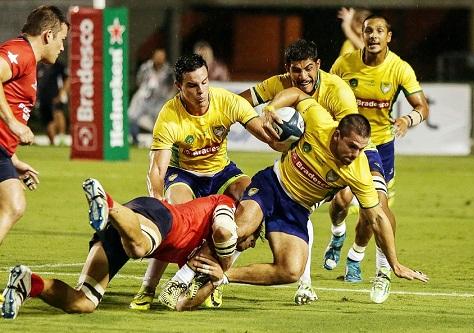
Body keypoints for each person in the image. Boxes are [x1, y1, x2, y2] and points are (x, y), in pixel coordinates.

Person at [208, 88, 428, 297]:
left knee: (291, 271)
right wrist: (270, 108)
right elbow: (296, 94)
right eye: (352, 146)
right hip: (272, 185)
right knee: (241, 230)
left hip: (297, 209)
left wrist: (395, 264)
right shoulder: (318, 120)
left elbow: (377, 218)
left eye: (362, 148)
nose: (356, 154)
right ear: (337, 135)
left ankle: (222, 276)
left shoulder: (358, 170)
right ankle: (188, 273)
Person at [128, 54, 276, 310]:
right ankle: (148, 287)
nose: (201, 91)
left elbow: (265, 134)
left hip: (221, 172)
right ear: (179, 87)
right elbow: (157, 168)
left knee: (253, 202)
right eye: (192, 86)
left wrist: (292, 141)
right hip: (184, 174)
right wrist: (157, 200)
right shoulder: (170, 115)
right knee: (175, 220)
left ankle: (212, 281)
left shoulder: (226, 101)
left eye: (204, 82)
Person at [0, 178, 261, 319]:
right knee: (138, 249)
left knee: (84, 302)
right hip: (156, 217)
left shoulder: (204, 258)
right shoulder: (226, 206)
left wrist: (216, 281)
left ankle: (28, 284)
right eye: (250, 240)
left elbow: (176, 302)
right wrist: (226, 264)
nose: (246, 245)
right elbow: (226, 232)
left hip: (131, 228)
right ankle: (108, 202)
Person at [239, 39, 358, 305]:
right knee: (291, 208)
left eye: (308, 69)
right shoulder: (279, 83)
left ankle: (336, 234)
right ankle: (304, 284)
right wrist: (252, 124)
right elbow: (242, 102)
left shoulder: (338, 92)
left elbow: (349, 136)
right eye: (296, 70)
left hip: (330, 161)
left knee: (338, 202)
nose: (302, 76)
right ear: (287, 69)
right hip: (295, 155)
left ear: (318, 65)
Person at [328, 14, 429, 303]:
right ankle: (337, 233)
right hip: (345, 146)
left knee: (376, 211)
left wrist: (408, 120)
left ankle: (377, 269)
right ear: (362, 34)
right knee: (340, 203)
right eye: (368, 30)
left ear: (389, 36)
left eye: (379, 31)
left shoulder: (399, 69)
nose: (373, 35)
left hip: (379, 148)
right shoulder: (345, 64)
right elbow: (327, 96)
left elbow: (421, 106)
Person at [0, 6, 68, 248]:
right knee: (13, 204)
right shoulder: (21, 52)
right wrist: (14, 124)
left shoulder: (28, 59)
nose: (62, 47)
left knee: (14, 205)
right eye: (61, 40)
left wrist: (12, 158)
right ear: (48, 35)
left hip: (2, 150)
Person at [128, 48, 176, 146]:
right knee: (132, 116)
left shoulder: (168, 71)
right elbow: (139, 80)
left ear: (164, 58)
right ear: (153, 57)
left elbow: (173, 85)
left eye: (161, 57)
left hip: (158, 100)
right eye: (157, 56)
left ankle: (158, 143)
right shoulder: (145, 67)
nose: (159, 59)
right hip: (143, 99)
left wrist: (168, 97)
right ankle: (135, 141)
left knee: (159, 122)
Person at [36, 58, 68, 145]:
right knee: (48, 120)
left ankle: (62, 137)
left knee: (58, 114)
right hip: (43, 97)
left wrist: (62, 93)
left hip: (56, 95)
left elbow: (67, 79)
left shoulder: (58, 65)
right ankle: (52, 142)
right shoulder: (40, 66)